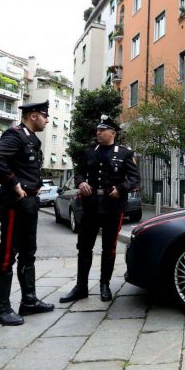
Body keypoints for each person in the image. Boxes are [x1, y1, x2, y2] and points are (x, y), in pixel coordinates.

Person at [0, 101, 55, 326]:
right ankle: (1, 309)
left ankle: (29, 301)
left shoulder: (31, 139)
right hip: (16, 202)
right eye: (45, 116)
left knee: (28, 252)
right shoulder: (15, 135)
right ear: (33, 116)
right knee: (8, 252)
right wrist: (13, 184)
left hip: (30, 202)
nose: (47, 120)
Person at [61, 115, 140, 303]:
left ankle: (105, 285)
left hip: (112, 205)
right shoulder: (89, 151)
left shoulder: (124, 153)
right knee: (84, 246)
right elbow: (79, 172)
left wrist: (121, 189)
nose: (98, 133)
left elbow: (134, 177)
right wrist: (80, 184)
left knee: (109, 247)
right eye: (97, 130)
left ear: (112, 133)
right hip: (90, 205)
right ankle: (81, 287)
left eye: (102, 130)